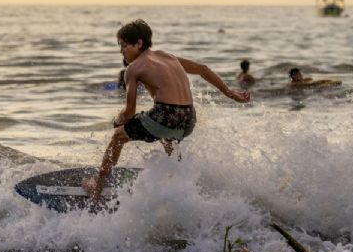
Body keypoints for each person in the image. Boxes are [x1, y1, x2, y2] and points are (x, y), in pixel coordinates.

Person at [82, 19, 251, 201]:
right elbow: (203, 69)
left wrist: (118, 120)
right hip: (189, 118)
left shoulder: (133, 68)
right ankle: (180, 185)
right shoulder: (167, 56)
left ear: (138, 43)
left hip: (166, 115)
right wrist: (230, 93)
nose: (121, 51)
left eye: (123, 46)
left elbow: (129, 112)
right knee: (168, 139)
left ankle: (96, 187)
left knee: (118, 137)